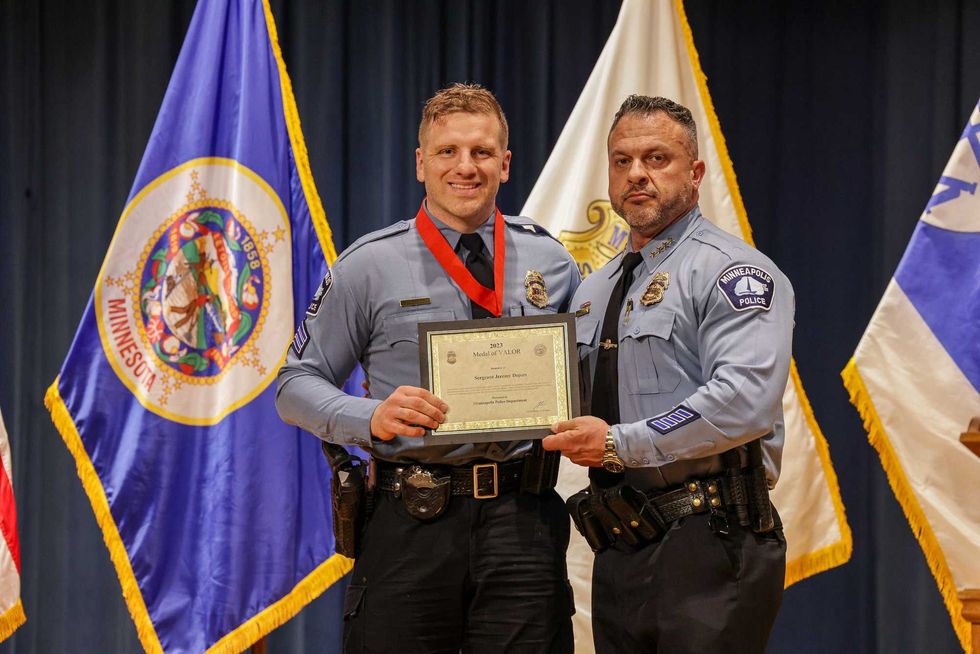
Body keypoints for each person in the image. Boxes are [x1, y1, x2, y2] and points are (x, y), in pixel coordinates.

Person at [276, 83, 579, 653]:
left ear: (505, 164)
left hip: (523, 519)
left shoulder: (551, 262)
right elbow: (293, 385)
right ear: (421, 162)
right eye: (447, 152)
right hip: (410, 518)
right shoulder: (368, 265)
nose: (465, 167)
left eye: (482, 152)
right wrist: (371, 416)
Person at [542, 95, 793, 654]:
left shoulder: (734, 271)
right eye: (622, 160)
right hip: (622, 541)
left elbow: (742, 401)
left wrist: (616, 444)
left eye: (657, 158)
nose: (637, 174)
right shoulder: (593, 290)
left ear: (695, 172)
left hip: (709, 541)